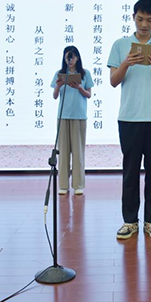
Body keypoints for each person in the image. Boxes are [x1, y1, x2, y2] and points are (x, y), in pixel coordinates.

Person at [107, 0, 151, 240]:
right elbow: (113, 81)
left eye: (149, 20)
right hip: (130, 117)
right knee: (130, 171)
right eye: (140, 19)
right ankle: (129, 221)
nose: (144, 24)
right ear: (133, 18)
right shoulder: (120, 45)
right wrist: (126, 63)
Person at [51, 46, 93, 195]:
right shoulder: (60, 74)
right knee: (62, 152)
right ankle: (63, 185)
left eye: (72, 57)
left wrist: (79, 88)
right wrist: (58, 86)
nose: (70, 60)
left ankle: (78, 185)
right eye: (67, 57)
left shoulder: (85, 73)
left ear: (77, 58)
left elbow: (89, 94)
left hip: (79, 116)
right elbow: (55, 96)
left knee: (78, 152)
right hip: (63, 116)